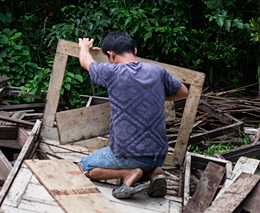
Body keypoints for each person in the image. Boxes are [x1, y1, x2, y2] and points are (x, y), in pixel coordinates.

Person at [77, 32, 188, 198]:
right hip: (159, 155)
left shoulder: (112, 72)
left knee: (84, 165)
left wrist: (84, 47)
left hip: (130, 155)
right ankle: (156, 173)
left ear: (111, 54)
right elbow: (183, 91)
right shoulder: (157, 71)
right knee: (148, 161)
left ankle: (128, 174)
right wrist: (155, 95)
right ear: (135, 51)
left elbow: (85, 61)